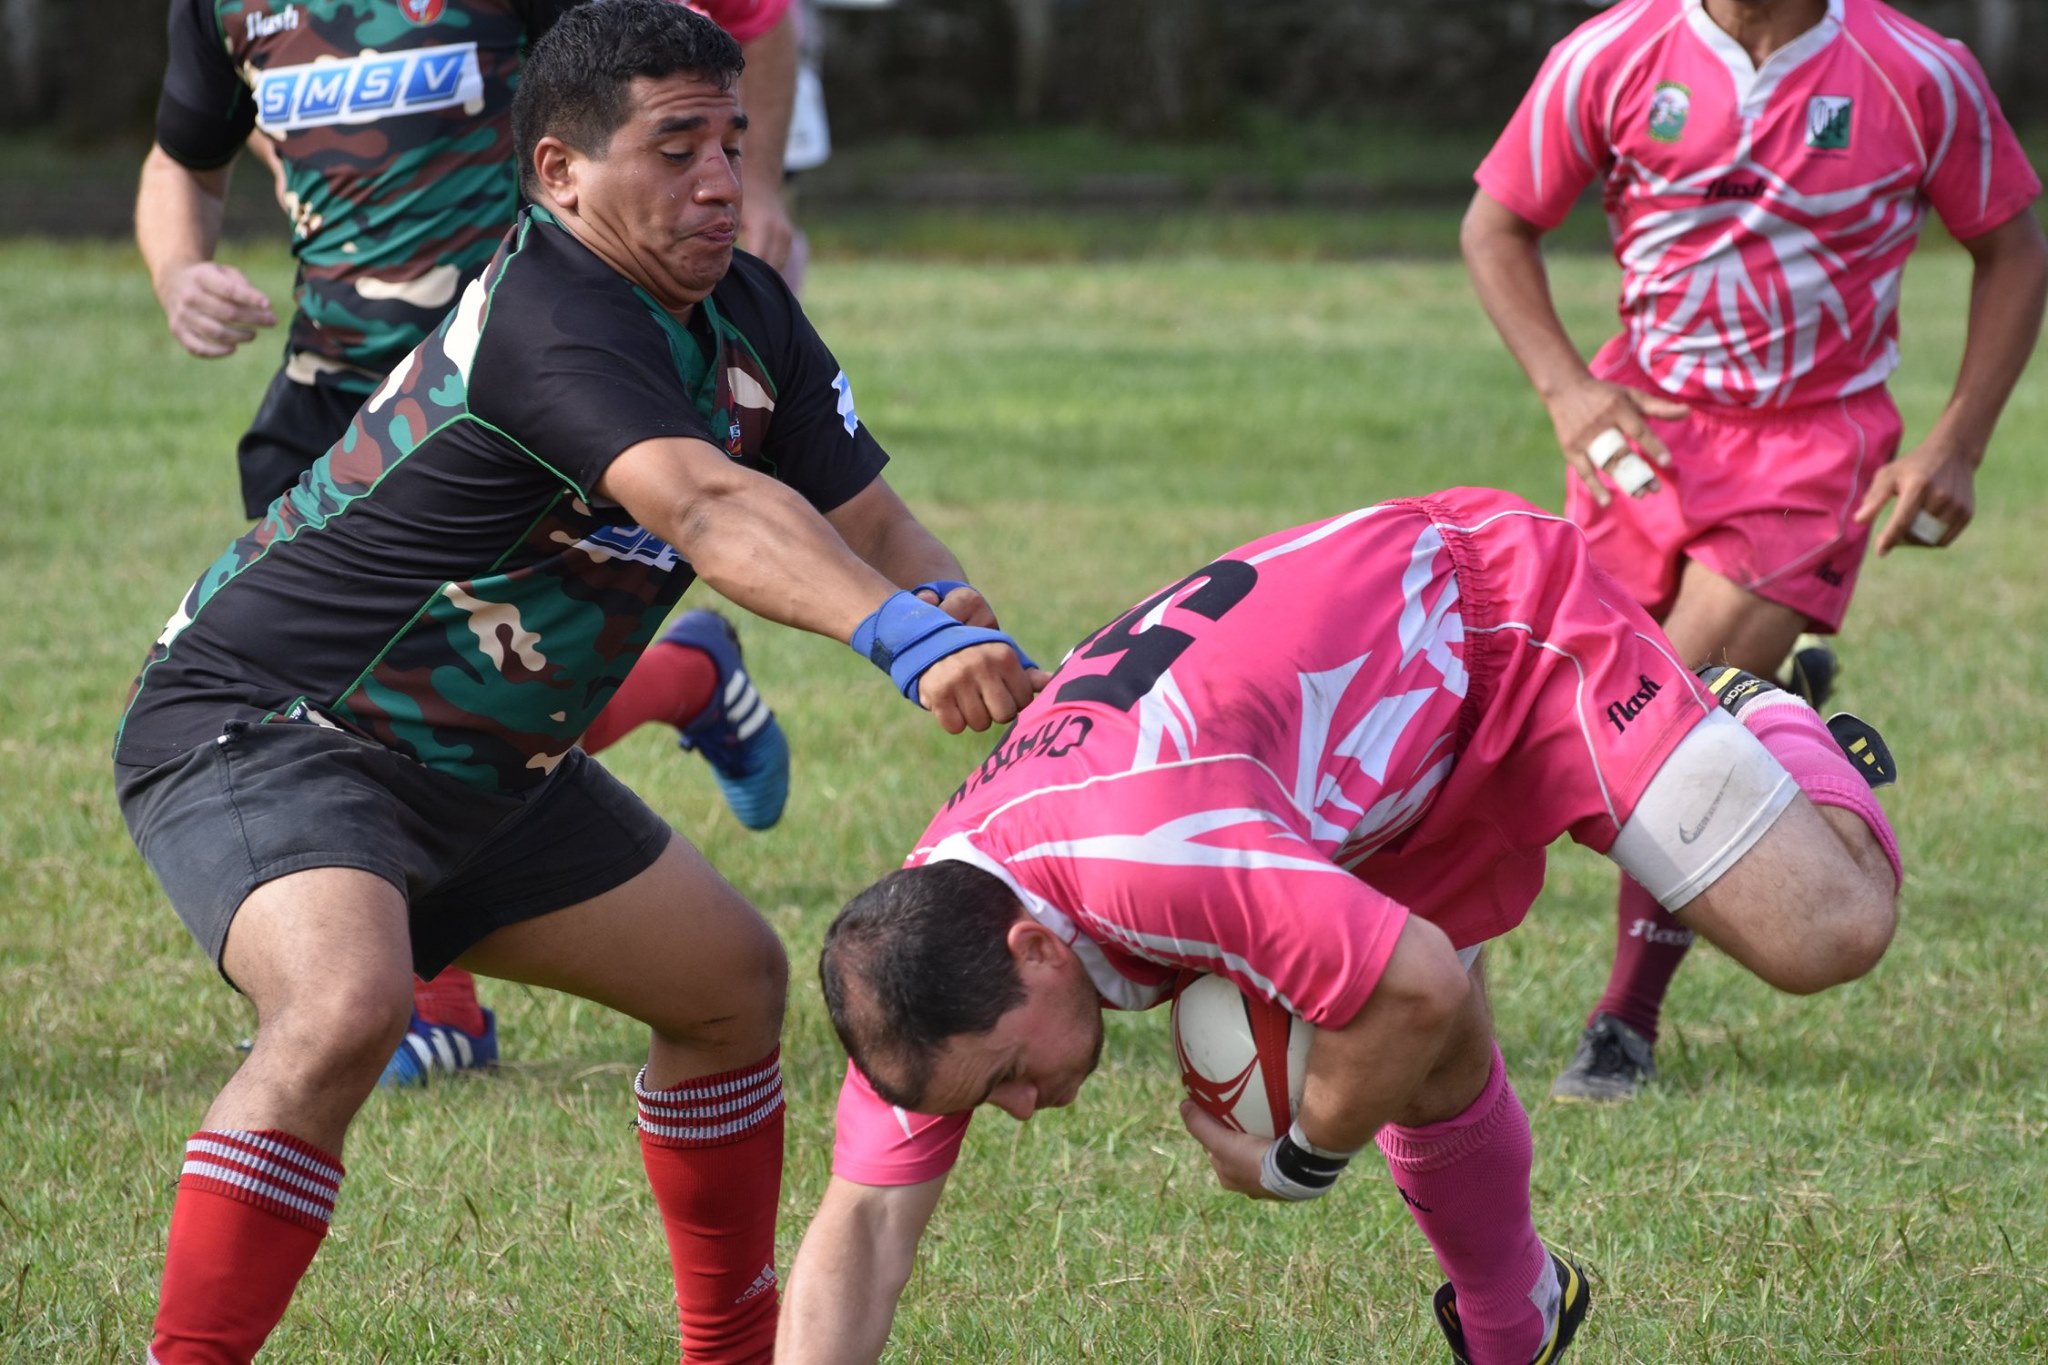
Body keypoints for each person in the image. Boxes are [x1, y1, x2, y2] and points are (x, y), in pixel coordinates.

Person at [113, 5, 1040, 1361]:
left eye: (730, 141)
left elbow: (874, 523)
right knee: (346, 1008)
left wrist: (965, 617)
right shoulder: (549, 312)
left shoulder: (747, 311)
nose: (722, 179)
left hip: (483, 771)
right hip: (269, 726)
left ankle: (730, 1350)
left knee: (729, 986)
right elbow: (715, 509)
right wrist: (900, 637)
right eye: (677, 147)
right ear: (560, 175)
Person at [782, 487, 1902, 1365]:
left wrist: (1299, 1156)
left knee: (1826, 935)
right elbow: (866, 1232)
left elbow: (1419, 983)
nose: (1018, 1110)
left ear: (1034, 947)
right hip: (1339, 772)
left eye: (1003, 1081)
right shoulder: (928, 935)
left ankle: (1758, 713)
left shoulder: (1155, 860)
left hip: (1495, 624)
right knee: (1402, 1046)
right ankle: (1516, 1328)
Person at [135, 0, 807, 1082]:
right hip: (339, 403)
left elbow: (731, 26)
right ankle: (684, 683)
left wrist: (751, 180)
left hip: (536, 392)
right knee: (368, 692)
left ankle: (434, 1005)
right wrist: (179, 271)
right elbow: (184, 157)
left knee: (483, 678)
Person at [1459, 0, 2046, 1100]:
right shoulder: (1609, 55)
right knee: (1558, 709)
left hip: (1812, 449)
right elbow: (1494, 226)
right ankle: (1779, 723)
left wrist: (1957, 443)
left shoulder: (1918, 71)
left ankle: (1621, 1020)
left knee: (1660, 711)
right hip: (1637, 432)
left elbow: (2009, 247)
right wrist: (1567, 392)